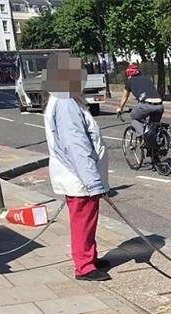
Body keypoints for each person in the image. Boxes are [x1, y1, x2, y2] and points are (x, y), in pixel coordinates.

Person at [43, 52, 111, 281]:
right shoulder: (65, 103)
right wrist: (94, 183)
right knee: (83, 221)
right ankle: (84, 266)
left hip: (78, 175)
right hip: (79, 177)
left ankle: (88, 257)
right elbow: (76, 145)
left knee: (86, 221)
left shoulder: (65, 99)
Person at [116, 63, 163, 137]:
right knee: (153, 127)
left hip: (146, 105)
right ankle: (154, 144)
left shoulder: (130, 81)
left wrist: (120, 108)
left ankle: (142, 136)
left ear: (129, 74)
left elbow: (125, 97)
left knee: (134, 117)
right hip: (159, 105)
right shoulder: (147, 78)